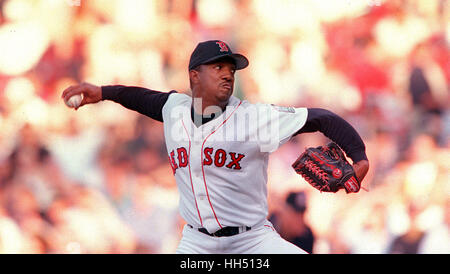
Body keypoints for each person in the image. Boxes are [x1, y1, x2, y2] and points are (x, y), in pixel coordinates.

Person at [62, 40, 369, 254]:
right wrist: (102, 92)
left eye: (231, 69)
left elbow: (321, 118)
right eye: (218, 67)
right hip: (198, 243)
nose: (227, 73)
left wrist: (359, 157)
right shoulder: (174, 109)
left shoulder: (253, 117)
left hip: (252, 242)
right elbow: (139, 97)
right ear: (194, 76)